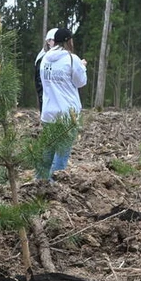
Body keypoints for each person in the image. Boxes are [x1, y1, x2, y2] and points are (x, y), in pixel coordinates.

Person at [38, 27, 88, 181]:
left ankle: (39, 182)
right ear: (68, 41)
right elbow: (80, 82)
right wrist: (83, 67)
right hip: (67, 114)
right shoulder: (72, 59)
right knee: (61, 154)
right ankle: (55, 187)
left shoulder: (45, 59)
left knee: (47, 152)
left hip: (48, 112)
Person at [35, 28, 57, 110]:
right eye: (55, 40)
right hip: (46, 95)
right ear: (48, 41)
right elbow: (39, 82)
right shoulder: (42, 58)